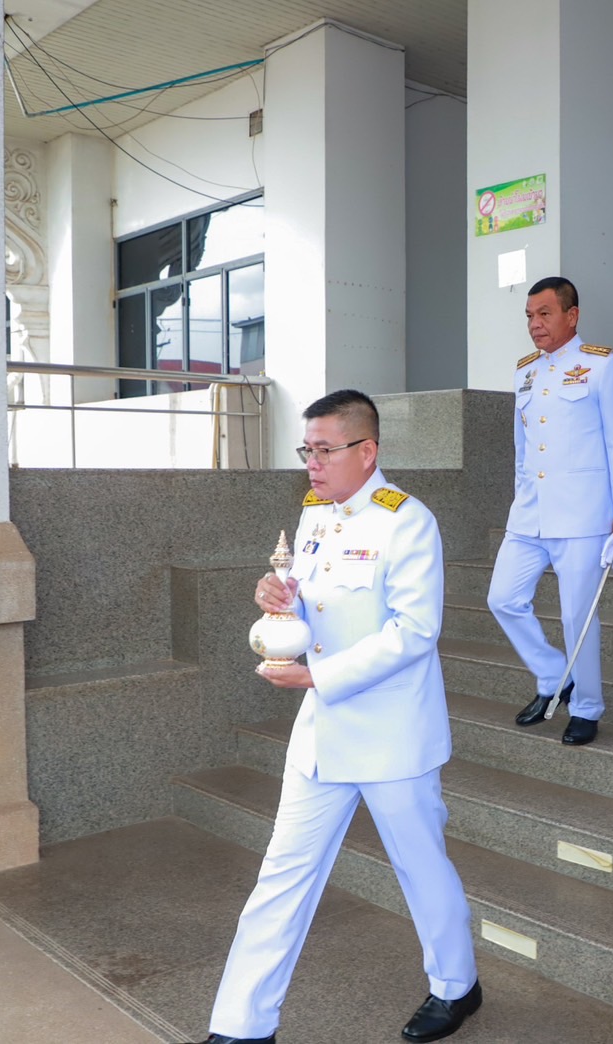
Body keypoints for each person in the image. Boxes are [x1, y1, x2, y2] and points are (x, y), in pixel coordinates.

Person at [198, 390, 480, 1044]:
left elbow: (415, 631)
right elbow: (310, 606)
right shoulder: (314, 515)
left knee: (421, 869)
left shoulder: (406, 521)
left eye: (324, 450)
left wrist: (317, 675)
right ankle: (240, 1027)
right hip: (323, 735)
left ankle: (456, 986)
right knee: (282, 875)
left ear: (367, 450)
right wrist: (276, 598)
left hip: (392, 737)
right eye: (307, 450)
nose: (311, 464)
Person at [487, 276, 613, 746]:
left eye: (545, 313)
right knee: (503, 598)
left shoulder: (603, 367)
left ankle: (588, 707)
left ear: (571, 315)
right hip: (531, 513)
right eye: (530, 316)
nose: (536, 324)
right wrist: (519, 498)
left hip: (582, 514)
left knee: (578, 615)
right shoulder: (526, 372)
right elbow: (522, 448)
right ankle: (556, 675)